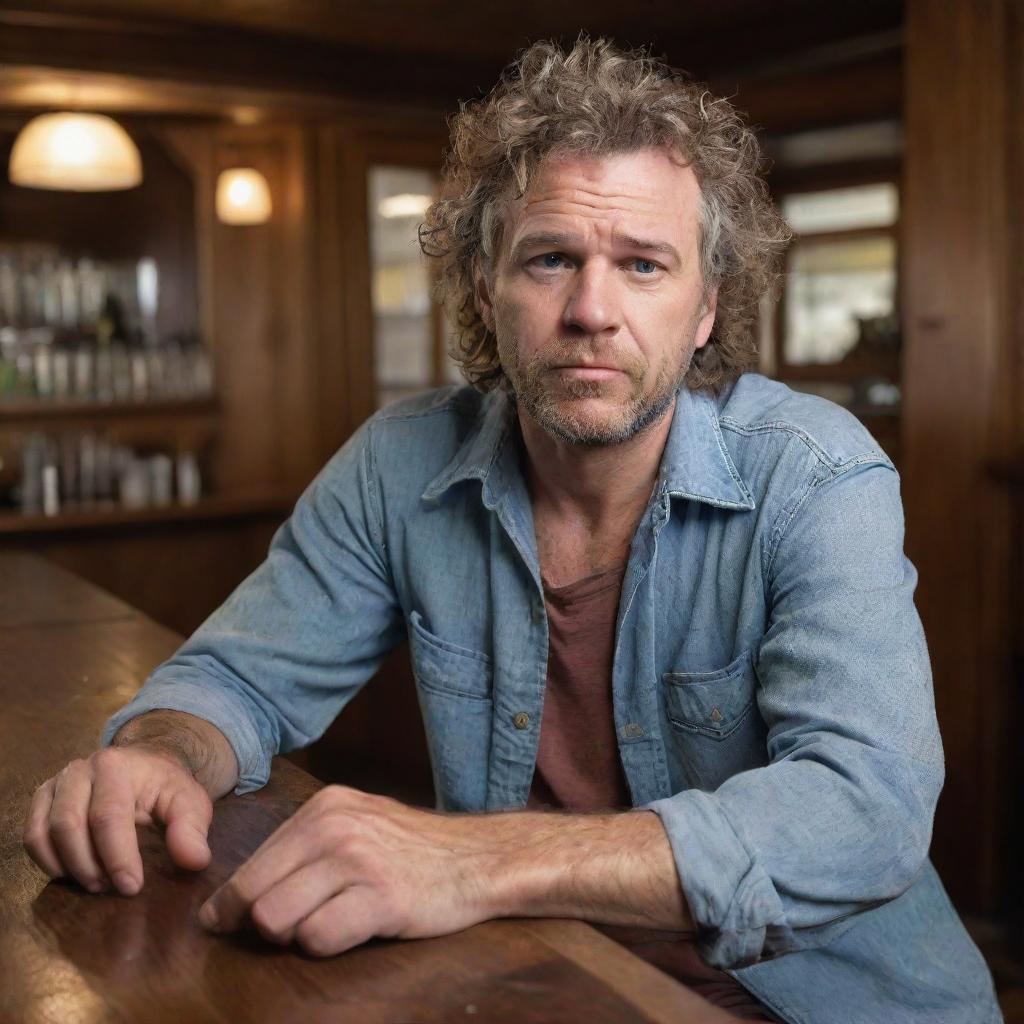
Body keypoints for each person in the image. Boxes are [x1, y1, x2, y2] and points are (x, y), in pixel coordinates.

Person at [23, 37, 1001, 1024]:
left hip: (820, 1002)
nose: (590, 310)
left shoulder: (814, 469)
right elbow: (232, 681)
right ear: (485, 289)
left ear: (705, 307)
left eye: (643, 265)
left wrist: (472, 859)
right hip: (537, 978)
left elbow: (867, 812)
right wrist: (161, 749)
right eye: (549, 259)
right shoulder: (399, 462)